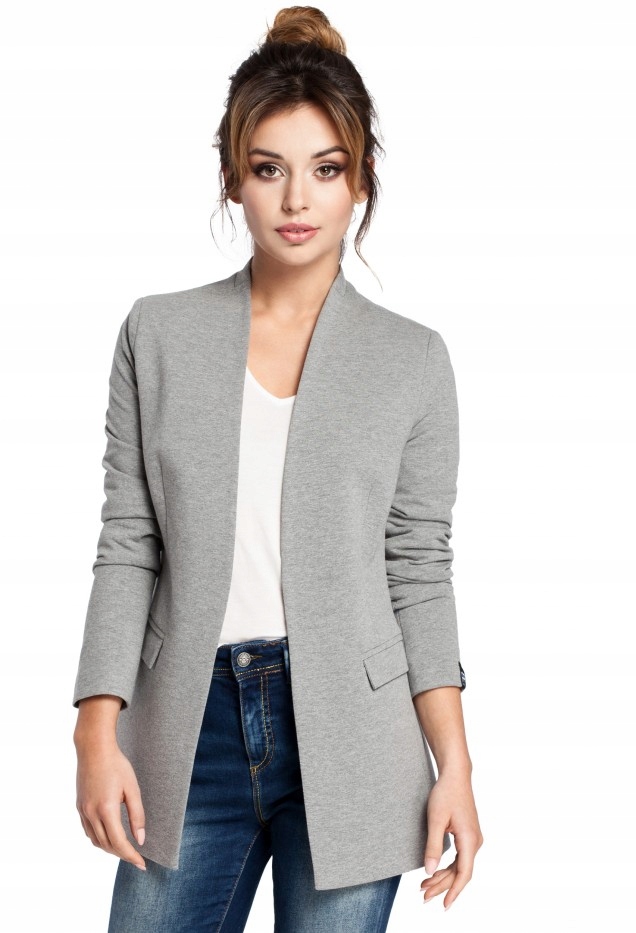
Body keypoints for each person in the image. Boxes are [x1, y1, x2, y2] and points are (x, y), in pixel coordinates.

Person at [72, 6, 483, 931]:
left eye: (326, 169)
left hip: (358, 737)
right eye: (269, 169)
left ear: (360, 180)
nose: (298, 199)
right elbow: (129, 543)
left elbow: (419, 569)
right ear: (233, 178)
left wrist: (454, 762)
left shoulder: (413, 359)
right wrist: (95, 726)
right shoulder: (158, 334)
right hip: (189, 731)